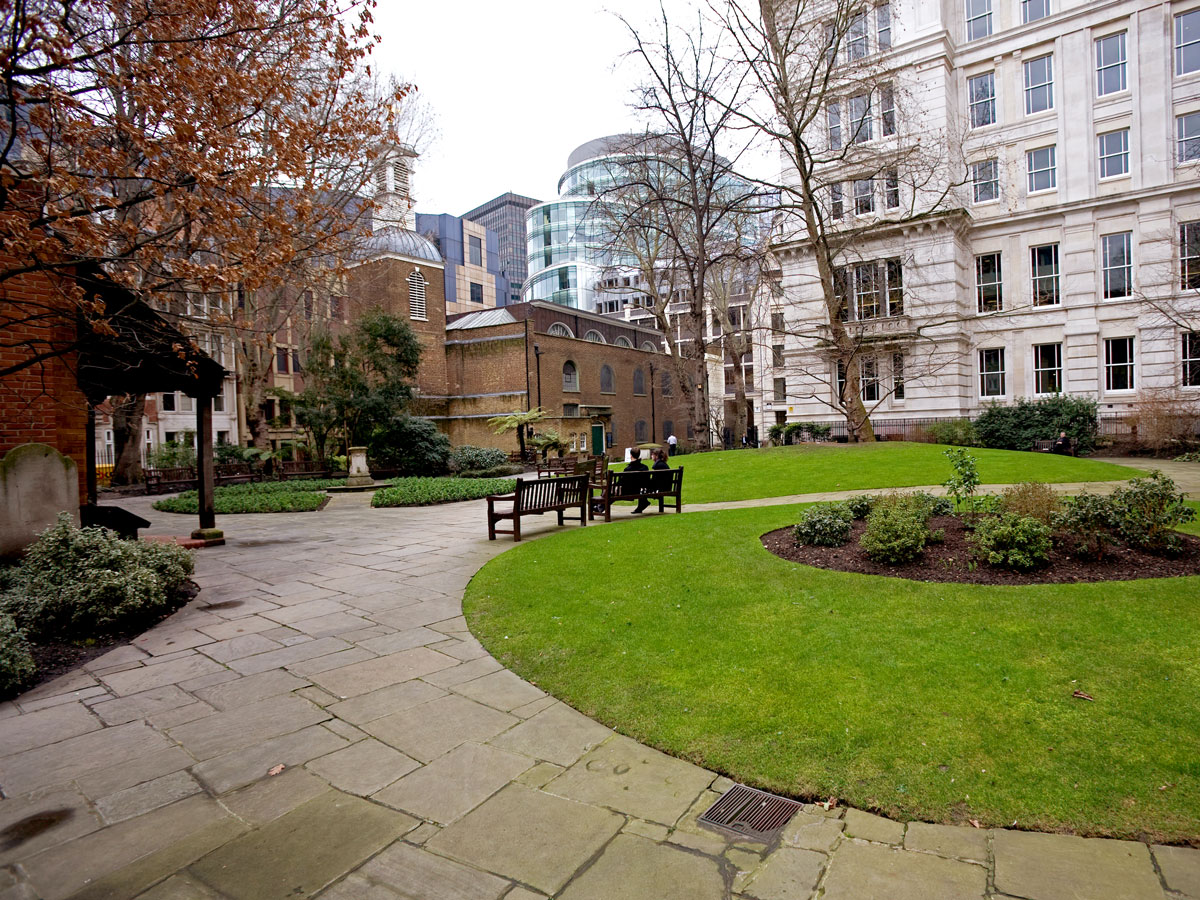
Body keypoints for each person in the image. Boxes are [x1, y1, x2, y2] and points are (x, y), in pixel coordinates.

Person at [626, 448, 650, 513]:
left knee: (609, 491)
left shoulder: (628, 469)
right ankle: (643, 503)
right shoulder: (645, 467)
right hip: (642, 490)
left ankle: (600, 506)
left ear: (631, 455)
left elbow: (622, 483)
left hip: (629, 491)